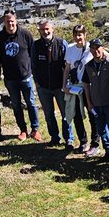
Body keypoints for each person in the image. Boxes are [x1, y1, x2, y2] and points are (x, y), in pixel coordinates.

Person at [0, 9, 41, 141]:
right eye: (8, 21)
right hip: (10, 79)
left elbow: (33, 53)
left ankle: (35, 129)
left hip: (26, 76)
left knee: (31, 103)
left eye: (12, 21)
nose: (10, 24)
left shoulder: (25, 34)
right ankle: (23, 130)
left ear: (16, 21)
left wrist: (32, 71)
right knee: (16, 104)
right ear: (4, 22)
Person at [82, 38, 109, 165]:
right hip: (96, 104)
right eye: (92, 48)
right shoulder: (88, 66)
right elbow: (86, 84)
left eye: (97, 47)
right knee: (101, 130)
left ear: (102, 48)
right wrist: (89, 102)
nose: (95, 51)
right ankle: (108, 152)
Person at [32, 19, 69, 148]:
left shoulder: (61, 43)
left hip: (60, 86)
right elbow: (33, 66)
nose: (45, 31)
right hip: (44, 87)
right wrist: (37, 83)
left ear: (52, 29)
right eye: (42, 29)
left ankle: (68, 139)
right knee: (49, 115)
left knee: (66, 114)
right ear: (39, 31)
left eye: (47, 29)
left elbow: (68, 65)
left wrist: (67, 84)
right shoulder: (35, 46)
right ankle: (54, 137)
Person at [61, 24, 97, 154]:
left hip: (89, 86)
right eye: (75, 35)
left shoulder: (90, 49)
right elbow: (67, 68)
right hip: (75, 87)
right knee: (76, 115)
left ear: (85, 35)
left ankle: (95, 143)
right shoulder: (70, 48)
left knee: (92, 113)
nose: (78, 37)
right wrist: (64, 85)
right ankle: (83, 142)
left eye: (80, 34)